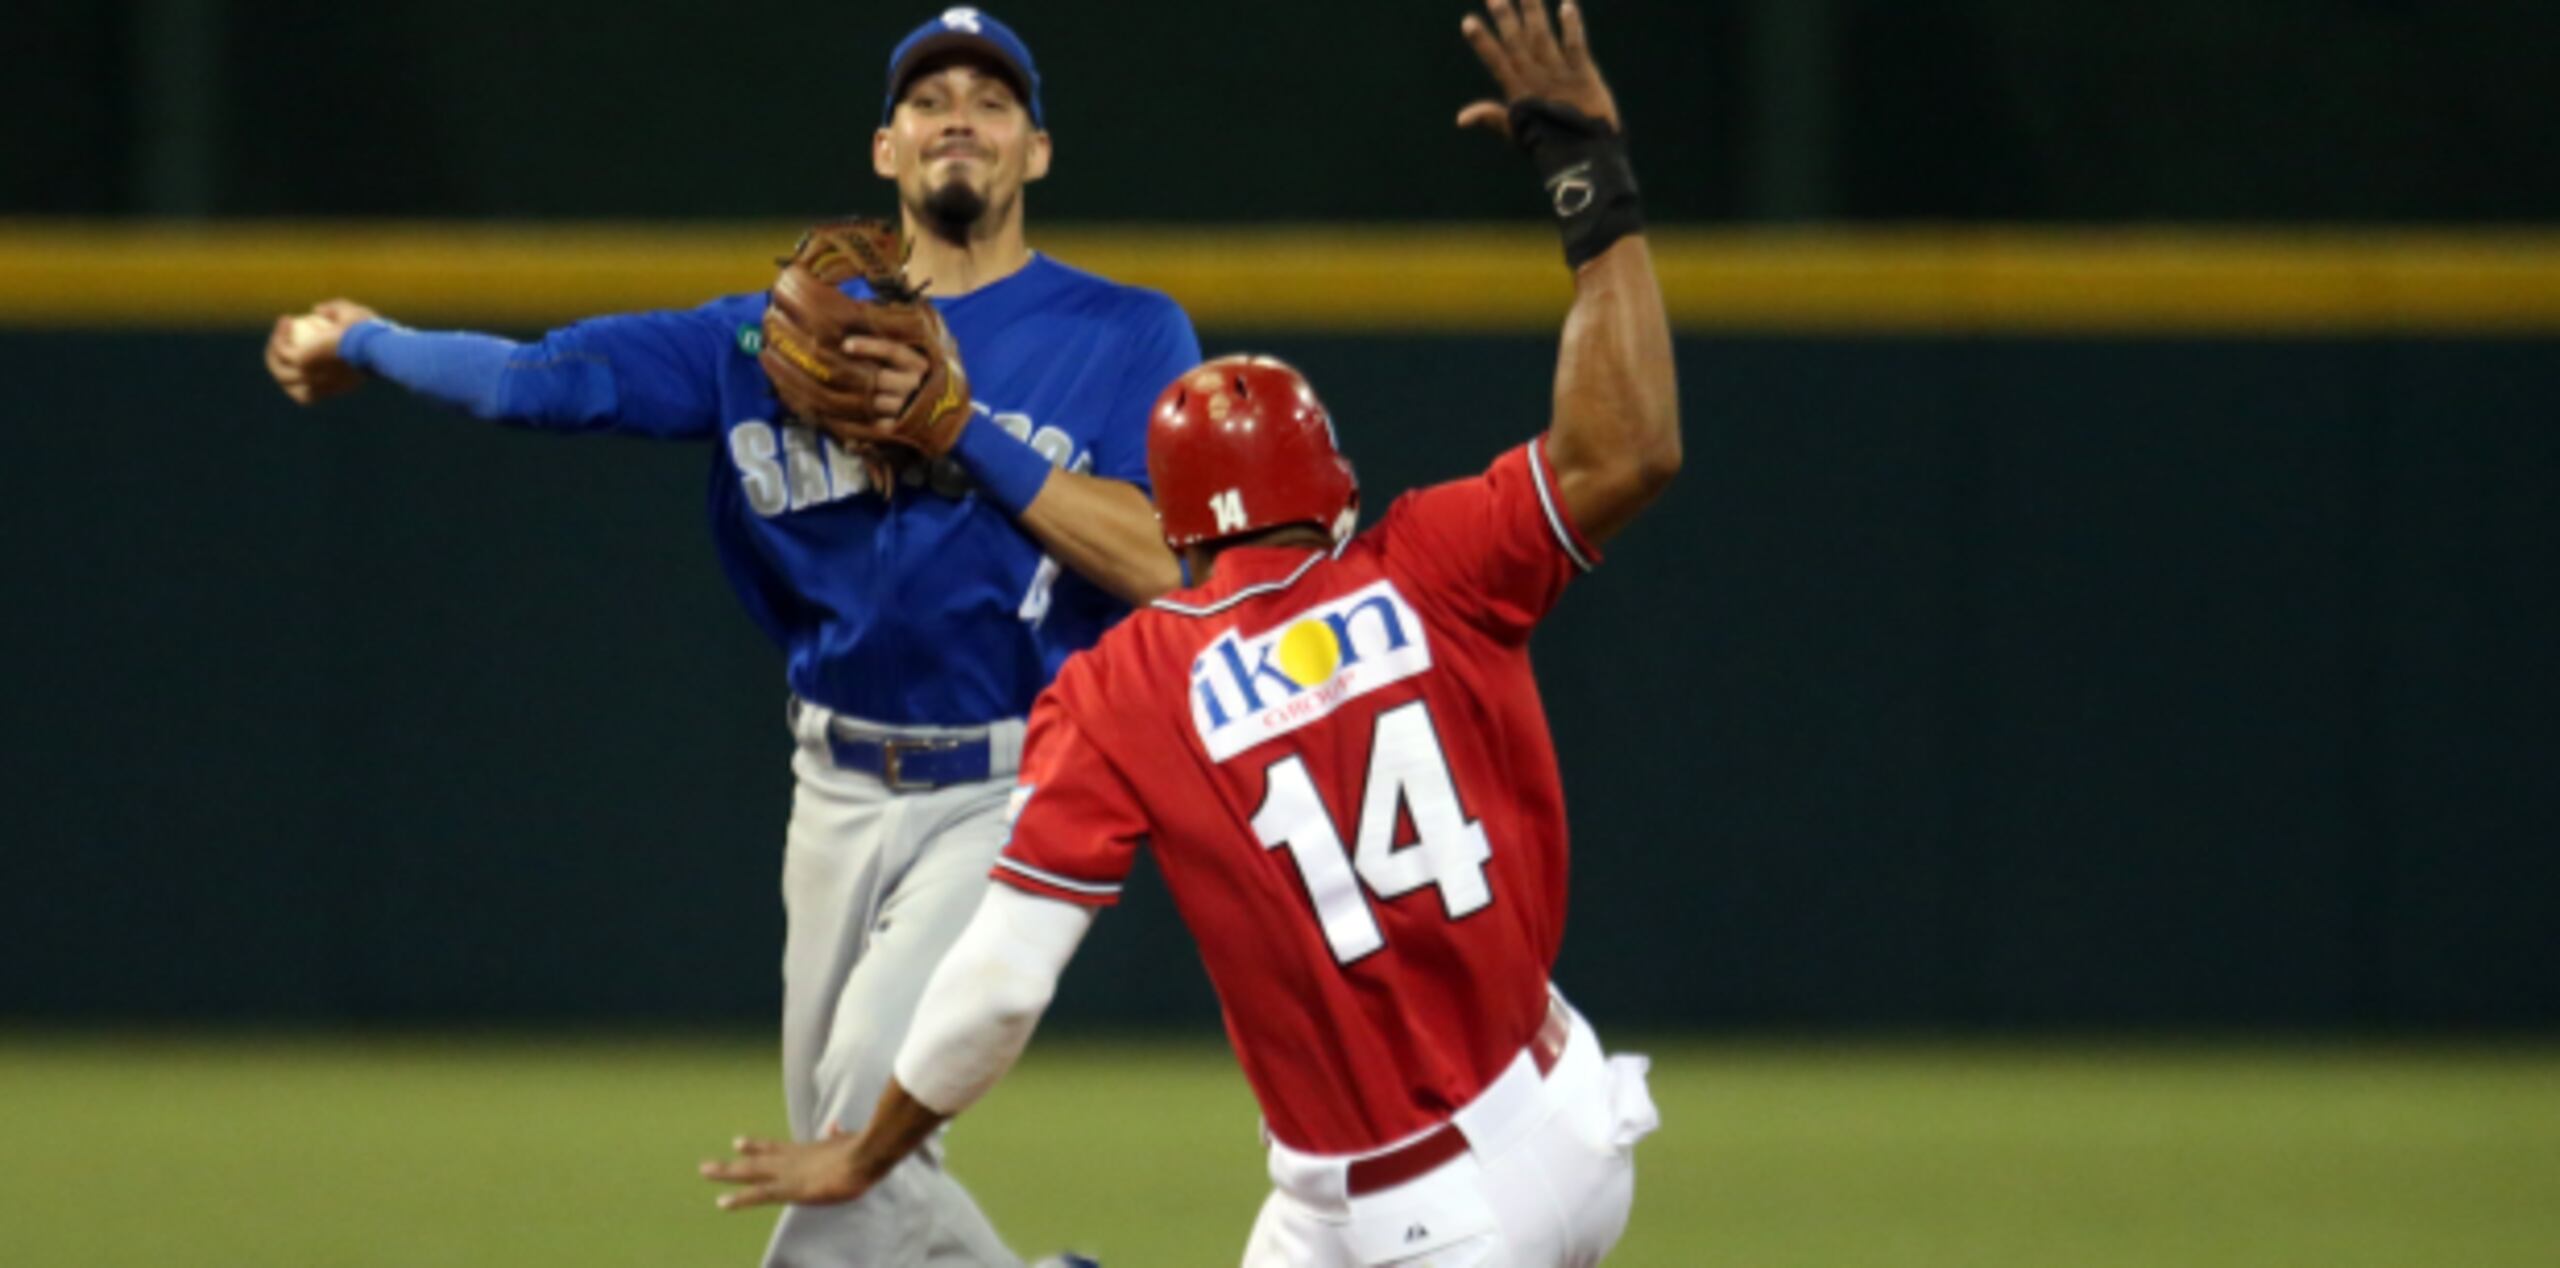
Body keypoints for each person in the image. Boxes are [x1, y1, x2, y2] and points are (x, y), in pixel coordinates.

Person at [701, 1, 1677, 1262]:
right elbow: (1630, 444)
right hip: (1558, 1106)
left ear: (1175, 511)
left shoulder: (1131, 686)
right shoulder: (1433, 563)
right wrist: (1592, 185)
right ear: (1327, 480)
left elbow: (996, 983)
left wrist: (869, 1148)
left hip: (1412, 1211)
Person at [262, 10, 1197, 1267]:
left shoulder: (1126, 332)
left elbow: (1162, 564)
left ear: (1035, 150)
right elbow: (538, 380)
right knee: (862, 1158)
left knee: (853, 1147)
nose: (958, 115)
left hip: (1012, 782)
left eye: (990, 98)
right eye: (929, 101)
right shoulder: (768, 342)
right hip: (831, 791)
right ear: (886, 150)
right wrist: (365, 340)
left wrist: (963, 429)